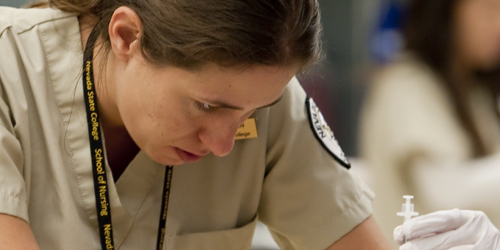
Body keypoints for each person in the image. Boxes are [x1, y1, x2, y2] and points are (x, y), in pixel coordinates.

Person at [0, 0, 393, 249]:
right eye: (205, 106)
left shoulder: (262, 97)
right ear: (126, 36)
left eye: (252, 113)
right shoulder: (8, 68)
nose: (224, 145)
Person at [359, 0, 500, 245]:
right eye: (489, 8)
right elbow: (445, 191)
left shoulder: (475, 91)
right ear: (444, 10)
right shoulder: (404, 84)